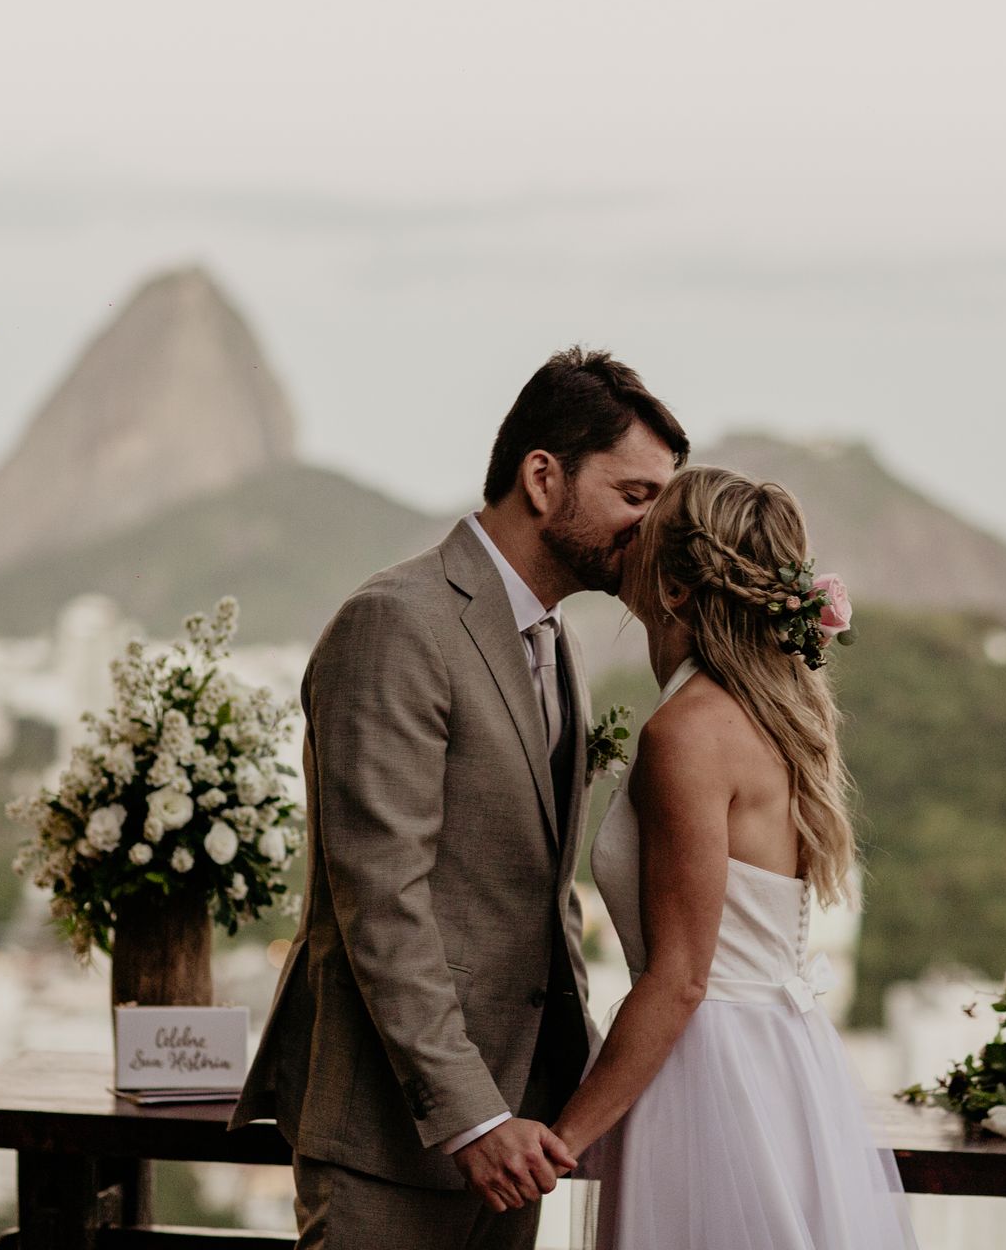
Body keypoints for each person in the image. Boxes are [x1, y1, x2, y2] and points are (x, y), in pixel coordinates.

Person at [228, 347, 688, 1249]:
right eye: (635, 497)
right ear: (544, 478)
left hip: (521, 1135)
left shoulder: (561, 645)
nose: (652, 527)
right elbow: (383, 900)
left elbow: (535, 902)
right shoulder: (397, 622)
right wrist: (470, 1117)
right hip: (397, 1136)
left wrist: (569, 1088)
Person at [554, 465, 919, 1250]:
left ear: (677, 591)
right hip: (780, 1064)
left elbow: (682, 976)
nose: (630, 525)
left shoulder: (686, 734)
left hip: (709, 1079)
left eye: (649, 520)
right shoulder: (767, 716)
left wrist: (561, 1140)